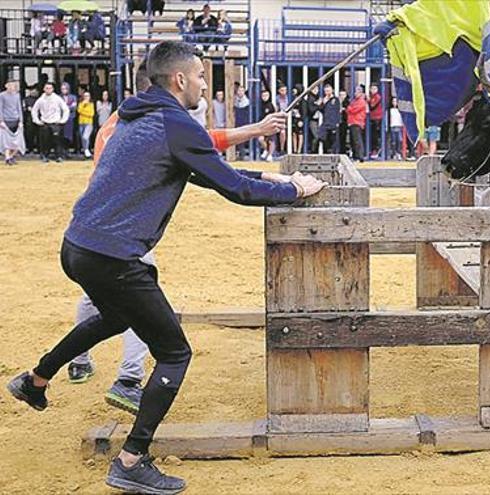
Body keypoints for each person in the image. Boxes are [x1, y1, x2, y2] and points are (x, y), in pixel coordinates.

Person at [6, 41, 327, 495]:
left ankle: (34, 380)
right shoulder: (177, 123)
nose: (202, 85)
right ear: (180, 79)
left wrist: (270, 178)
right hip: (112, 256)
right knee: (175, 352)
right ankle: (132, 460)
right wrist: (294, 192)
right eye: (199, 77)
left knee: (117, 317)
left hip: (78, 246)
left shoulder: (139, 113)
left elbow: (204, 171)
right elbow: (232, 189)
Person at [67, 63, 292, 397]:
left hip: (93, 227)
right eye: (199, 77)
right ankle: (128, 379)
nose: (202, 85)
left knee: (97, 298)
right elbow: (202, 151)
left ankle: (73, 362)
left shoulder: (122, 120)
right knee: (139, 304)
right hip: (127, 226)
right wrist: (258, 133)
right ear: (172, 83)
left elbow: (196, 153)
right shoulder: (161, 124)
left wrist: (257, 152)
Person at [31, 82, 69, 162]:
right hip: (45, 123)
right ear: (44, 89)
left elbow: (65, 109)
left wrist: (63, 120)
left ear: (53, 89)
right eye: (47, 88)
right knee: (45, 142)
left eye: (50, 88)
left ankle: (59, 156)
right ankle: (45, 156)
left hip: (56, 123)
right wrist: (37, 121)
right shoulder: (41, 99)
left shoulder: (57, 98)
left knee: (57, 141)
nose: (48, 90)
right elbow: (34, 110)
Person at [0, 80, 26, 165]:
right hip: (6, 120)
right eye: (10, 85)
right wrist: (1, 121)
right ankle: (7, 158)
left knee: (18, 141)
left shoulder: (17, 95)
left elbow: (19, 108)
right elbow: (0, 108)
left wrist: (21, 121)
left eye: (14, 86)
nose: (12, 87)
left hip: (16, 120)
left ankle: (11, 156)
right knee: (6, 141)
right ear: (6, 86)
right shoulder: (2, 95)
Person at [347, 84, 367, 161]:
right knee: (354, 140)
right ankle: (356, 156)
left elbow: (352, 110)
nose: (355, 93)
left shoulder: (361, 101)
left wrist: (348, 108)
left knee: (357, 140)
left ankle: (360, 156)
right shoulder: (356, 101)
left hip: (357, 122)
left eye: (357, 92)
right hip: (353, 122)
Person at [318, 84, 340, 154]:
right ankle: (327, 151)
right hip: (326, 122)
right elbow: (321, 110)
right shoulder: (324, 100)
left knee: (333, 139)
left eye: (328, 90)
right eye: (326, 91)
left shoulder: (335, 99)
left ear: (332, 90)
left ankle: (333, 153)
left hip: (333, 122)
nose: (327, 92)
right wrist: (322, 103)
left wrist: (337, 122)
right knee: (322, 136)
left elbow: (337, 111)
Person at [258, 89, 277, 160]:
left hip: (271, 124)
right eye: (263, 96)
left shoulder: (271, 105)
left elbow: (274, 113)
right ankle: (266, 150)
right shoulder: (259, 105)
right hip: (262, 125)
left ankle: (270, 155)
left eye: (266, 95)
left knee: (271, 140)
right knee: (261, 139)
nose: (265, 97)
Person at [60, 82, 77, 157]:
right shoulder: (58, 97)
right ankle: (62, 152)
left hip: (70, 119)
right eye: (62, 89)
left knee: (69, 136)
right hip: (61, 119)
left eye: (65, 89)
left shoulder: (73, 97)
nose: (64, 90)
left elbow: (73, 107)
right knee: (61, 136)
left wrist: (65, 107)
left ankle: (67, 151)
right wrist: (67, 107)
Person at [77, 91, 95, 158]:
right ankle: (86, 151)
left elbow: (91, 114)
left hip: (89, 123)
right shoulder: (81, 104)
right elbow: (79, 111)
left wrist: (83, 112)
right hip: (81, 123)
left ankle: (87, 150)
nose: (86, 97)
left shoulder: (91, 104)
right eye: (85, 96)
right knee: (83, 138)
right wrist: (84, 108)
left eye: (87, 96)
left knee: (85, 137)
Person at [368, 83, 383, 159]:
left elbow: (372, 106)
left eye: (374, 89)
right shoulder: (371, 97)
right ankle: (373, 149)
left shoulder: (377, 97)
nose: (373, 90)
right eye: (372, 89)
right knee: (373, 135)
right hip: (372, 118)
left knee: (375, 135)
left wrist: (368, 101)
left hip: (377, 118)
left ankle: (376, 149)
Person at [275, 85, 289, 152]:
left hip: (288, 117)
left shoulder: (288, 98)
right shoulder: (277, 98)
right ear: (279, 91)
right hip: (280, 117)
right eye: (282, 90)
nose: (284, 92)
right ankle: (281, 149)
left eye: (285, 90)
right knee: (282, 132)